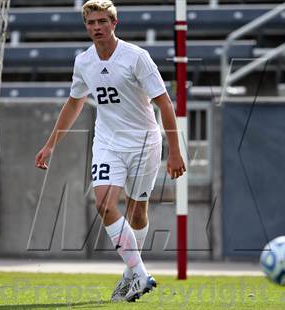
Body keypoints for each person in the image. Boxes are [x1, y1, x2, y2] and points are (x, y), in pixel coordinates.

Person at [35, 0, 186, 302]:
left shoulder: (137, 58)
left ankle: (131, 275)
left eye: (102, 21)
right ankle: (141, 273)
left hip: (145, 142)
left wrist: (175, 151)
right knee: (104, 203)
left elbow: (164, 103)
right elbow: (75, 101)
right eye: (91, 23)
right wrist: (51, 143)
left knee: (138, 212)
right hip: (108, 143)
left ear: (114, 23)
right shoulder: (84, 61)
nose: (96, 28)